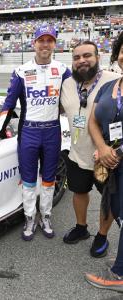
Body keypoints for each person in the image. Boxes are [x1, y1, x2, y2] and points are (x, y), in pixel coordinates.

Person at [0, 25, 71, 241]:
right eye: (41, 40)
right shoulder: (21, 71)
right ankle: (29, 217)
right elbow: (8, 104)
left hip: (53, 131)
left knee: (49, 179)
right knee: (28, 180)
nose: (45, 44)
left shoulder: (63, 70)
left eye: (49, 40)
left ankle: (46, 216)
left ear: (54, 44)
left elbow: (73, 99)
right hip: (29, 132)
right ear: (33, 43)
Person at [61, 41, 120, 257]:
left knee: (108, 199)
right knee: (79, 191)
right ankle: (81, 227)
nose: (82, 61)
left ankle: (102, 235)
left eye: (87, 55)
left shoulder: (113, 81)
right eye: (76, 58)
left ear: (98, 58)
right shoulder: (67, 84)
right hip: (77, 155)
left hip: (105, 157)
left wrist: (108, 148)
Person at [85, 32, 123, 291]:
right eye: (121, 51)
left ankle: (119, 276)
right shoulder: (112, 86)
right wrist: (101, 147)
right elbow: (92, 121)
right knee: (117, 210)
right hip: (111, 163)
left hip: (117, 159)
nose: (122, 56)